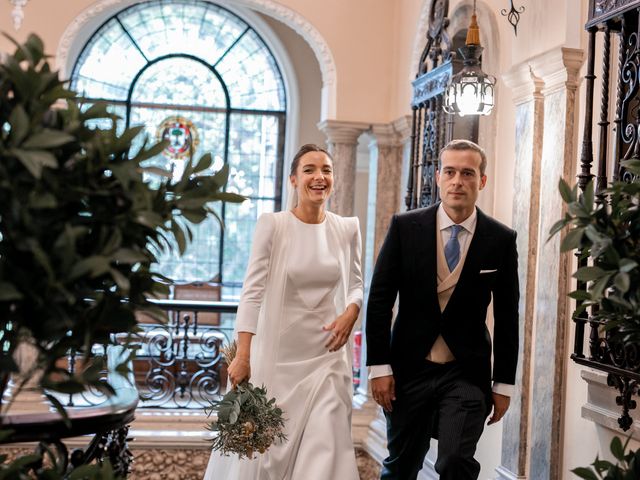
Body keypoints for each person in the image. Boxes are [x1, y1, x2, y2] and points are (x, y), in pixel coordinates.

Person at [204, 144, 364, 480]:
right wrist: (244, 355)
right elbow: (252, 293)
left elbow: (356, 284)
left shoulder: (347, 228)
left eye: (326, 170)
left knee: (326, 449)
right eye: (309, 170)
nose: (319, 176)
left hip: (327, 361)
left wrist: (352, 310)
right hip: (277, 361)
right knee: (267, 459)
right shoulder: (273, 226)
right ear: (294, 179)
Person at [366, 139, 519, 480]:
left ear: (482, 180)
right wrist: (379, 367)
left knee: (454, 462)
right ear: (437, 177)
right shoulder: (405, 228)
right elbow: (379, 301)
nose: (457, 181)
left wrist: (503, 384)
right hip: (408, 370)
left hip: (465, 373)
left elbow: (509, 317)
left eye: (467, 173)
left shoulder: (500, 239)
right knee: (401, 466)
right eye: (449, 172)